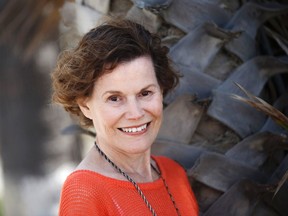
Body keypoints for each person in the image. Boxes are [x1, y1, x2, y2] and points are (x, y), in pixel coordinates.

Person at [52, 18, 198, 216]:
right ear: (85, 105)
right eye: (114, 98)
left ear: (161, 90)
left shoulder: (174, 174)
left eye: (145, 93)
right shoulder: (84, 191)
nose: (136, 113)